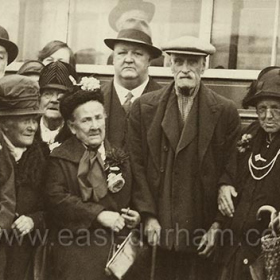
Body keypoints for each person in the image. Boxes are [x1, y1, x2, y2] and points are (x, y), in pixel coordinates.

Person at [128, 35, 241, 280]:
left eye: (193, 62)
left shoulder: (224, 111)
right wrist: (147, 216)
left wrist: (218, 226)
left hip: (202, 229)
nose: (185, 69)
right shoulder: (145, 108)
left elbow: (231, 168)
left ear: (204, 66)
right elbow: (135, 166)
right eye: (179, 62)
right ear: (170, 64)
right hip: (159, 227)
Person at [44, 88, 140, 280]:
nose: (95, 126)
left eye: (98, 117)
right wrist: (98, 214)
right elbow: (56, 199)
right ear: (72, 127)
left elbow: (134, 197)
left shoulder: (120, 156)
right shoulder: (60, 159)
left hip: (117, 257)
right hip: (76, 254)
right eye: (86, 120)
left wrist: (136, 216)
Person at [217, 66, 280, 280]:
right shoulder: (251, 134)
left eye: (276, 108)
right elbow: (230, 170)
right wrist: (225, 186)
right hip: (237, 247)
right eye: (262, 108)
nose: (268, 116)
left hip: (270, 253)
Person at [0, 74, 46, 280]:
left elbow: (55, 206)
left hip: (24, 256)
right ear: (5, 123)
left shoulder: (42, 156)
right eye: (24, 119)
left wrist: (34, 220)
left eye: (35, 120)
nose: (32, 127)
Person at [102, 18, 162, 150]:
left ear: (149, 61)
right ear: (113, 59)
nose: (128, 59)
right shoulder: (95, 97)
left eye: (137, 53)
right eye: (122, 53)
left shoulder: (165, 101)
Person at [37, 60, 77, 152]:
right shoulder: (28, 131)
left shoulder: (76, 135)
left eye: (61, 95)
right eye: (48, 94)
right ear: (39, 98)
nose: (54, 100)